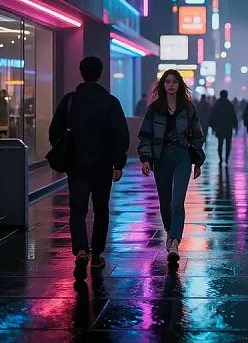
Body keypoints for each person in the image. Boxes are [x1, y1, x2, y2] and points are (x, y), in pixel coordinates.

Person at [49, 56, 129, 281]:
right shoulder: (110, 102)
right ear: (100, 73)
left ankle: (81, 250)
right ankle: (96, 256)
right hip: (102, 166)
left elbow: (54, 131)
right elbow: (120, 135)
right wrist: (118, 163)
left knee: (77, 209)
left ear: (81, 73)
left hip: (77, 165)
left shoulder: (70, 101)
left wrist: (66, 151)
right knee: (101, 210)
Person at [138, 69, 205, 264]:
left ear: (179, 84)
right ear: (163, 85)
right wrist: (145, 159)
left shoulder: (188, 108)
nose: (171, 85)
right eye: (167, 82)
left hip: (182, 157)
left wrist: (197, 161)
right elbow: (145, 134)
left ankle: (175, 241)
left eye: (174, 82)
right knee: (165, 201)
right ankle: (169, 232)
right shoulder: (154, 109)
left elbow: (197, 135)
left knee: (177, 202)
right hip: (161, 158)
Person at [209, 90, 238, 166]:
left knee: (220, 144)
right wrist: (235, 126)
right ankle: (227, 159)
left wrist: (212, 127)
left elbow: (213, 117)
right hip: (228, 128)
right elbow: (233, 116)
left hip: (220, 128)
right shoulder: (229, 104)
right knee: (228, 144)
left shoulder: (217, 105)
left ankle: (220, 159)